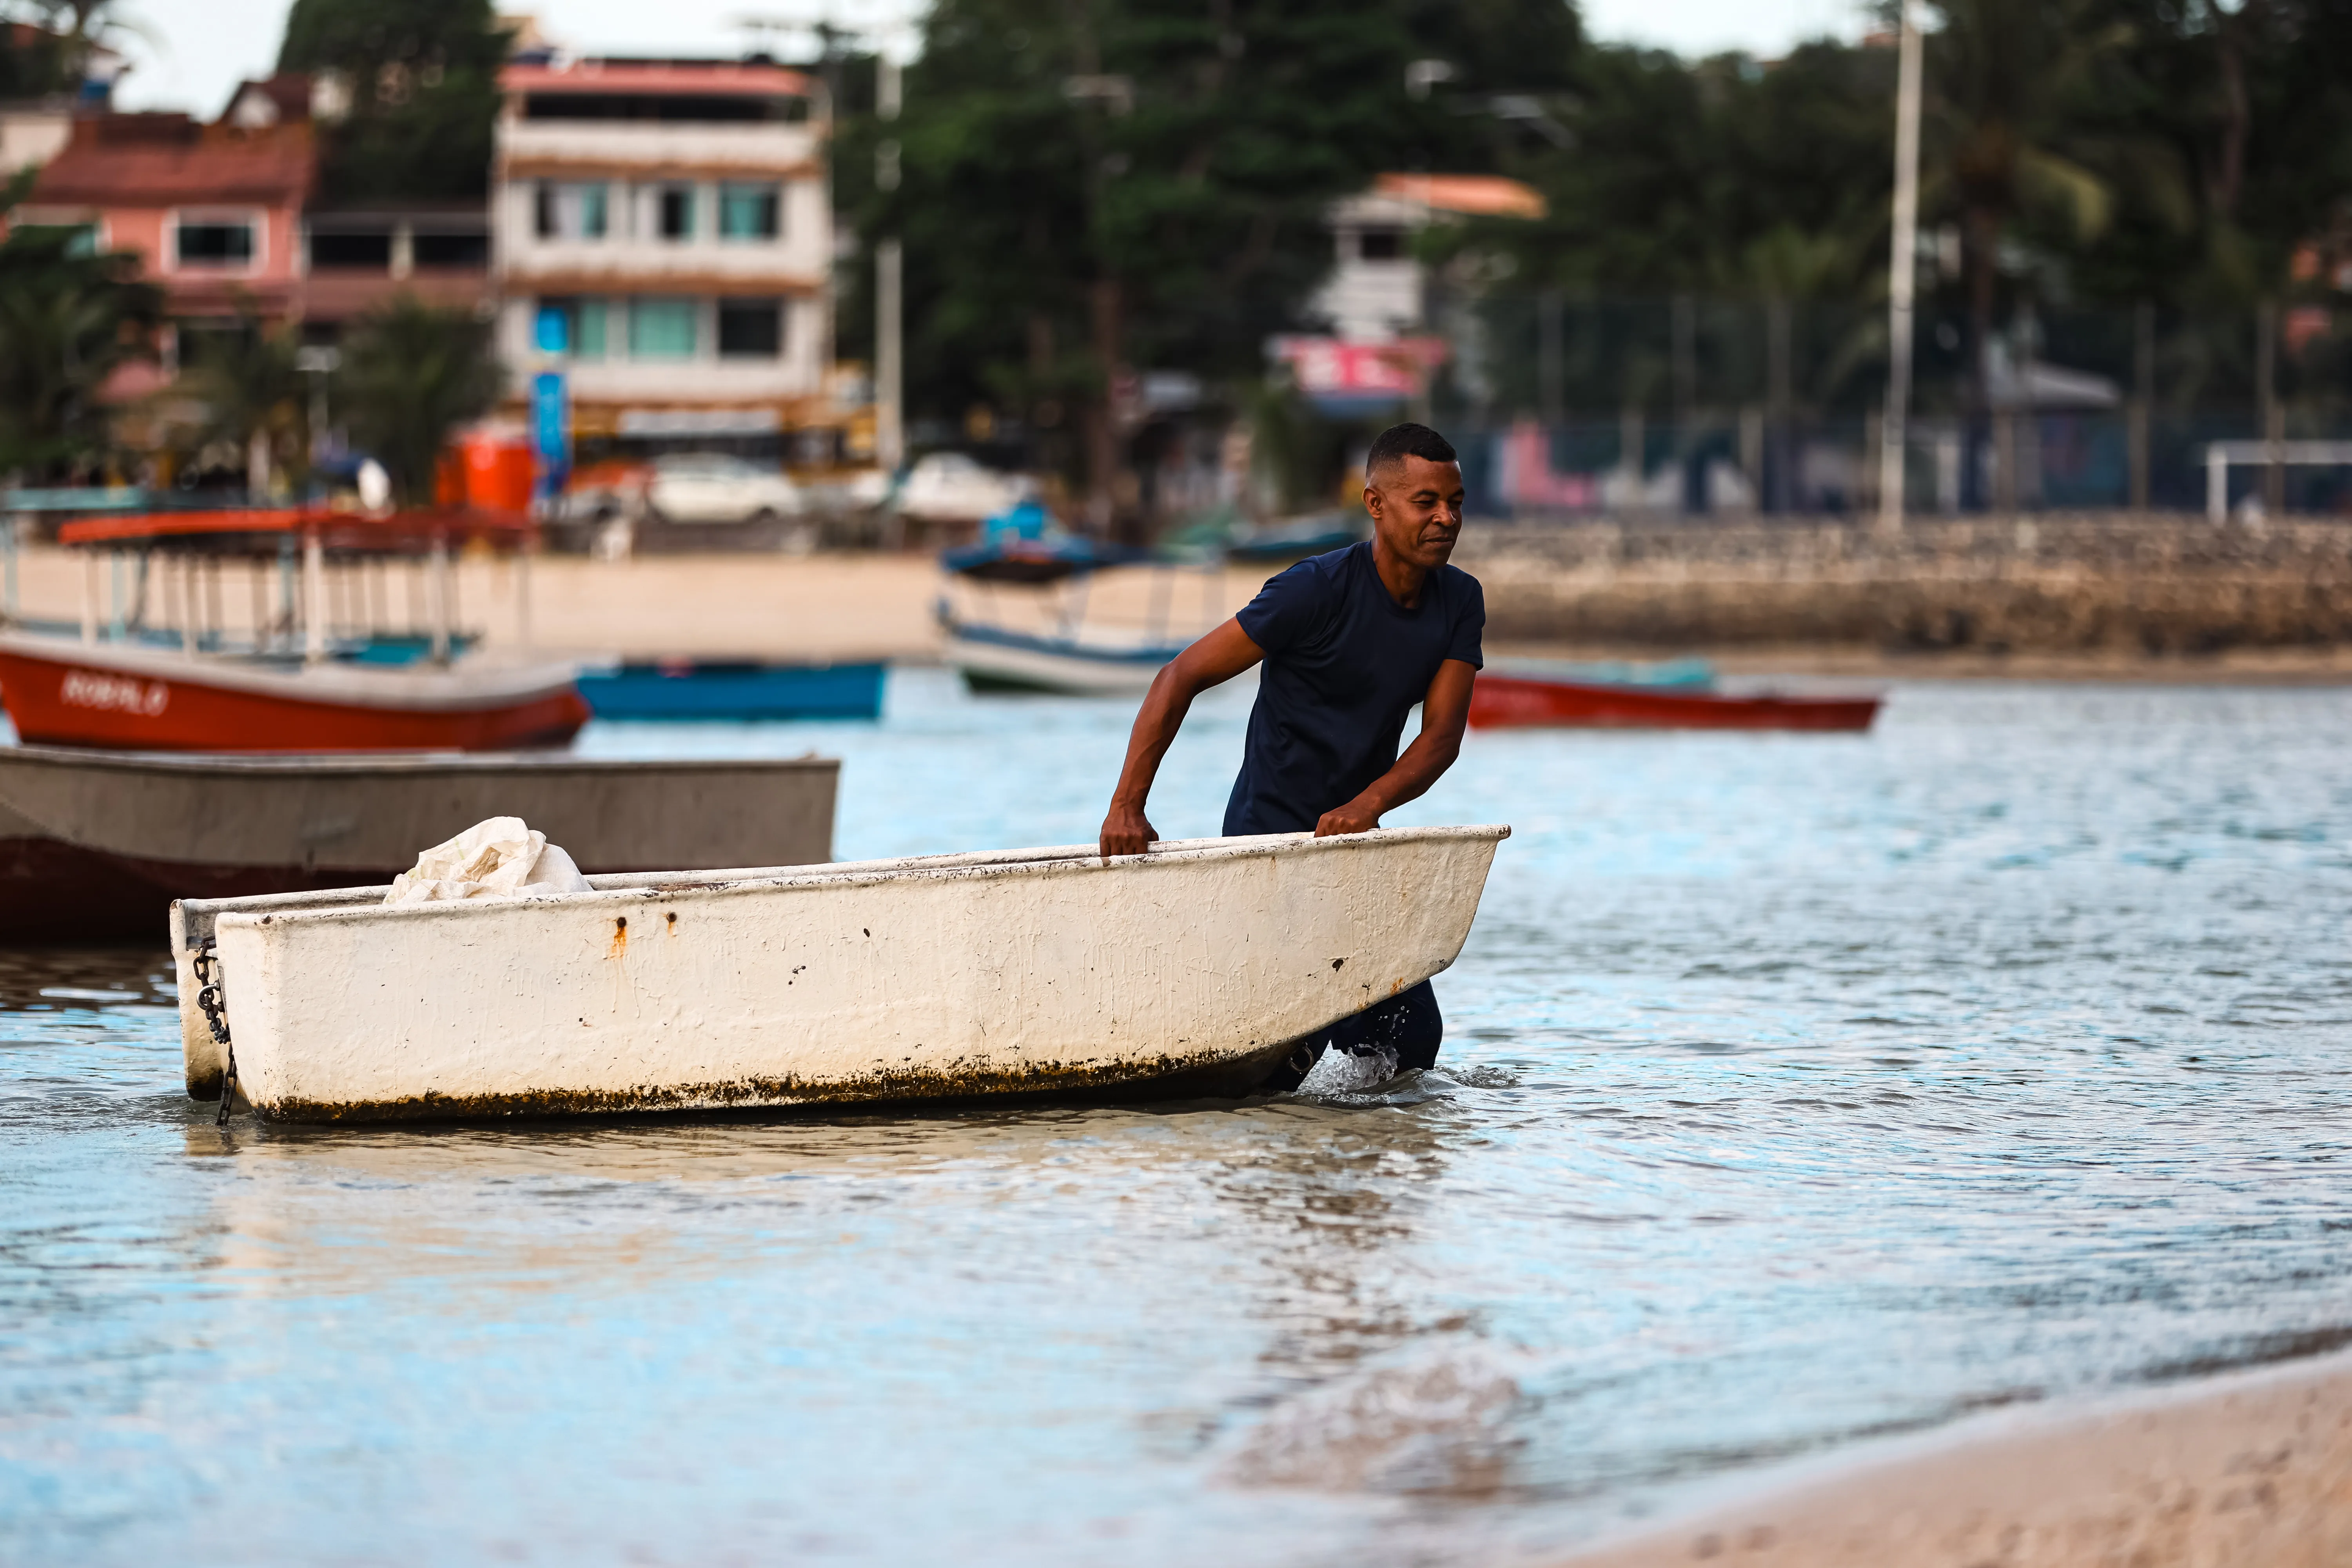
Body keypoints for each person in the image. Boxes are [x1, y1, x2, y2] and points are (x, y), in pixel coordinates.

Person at [1097, 421, 1483, 1089]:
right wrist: (1128, 806)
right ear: (1376, 504)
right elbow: (1179, 677)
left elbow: (1442, 737)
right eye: (1426, 502)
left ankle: (1347, 1147)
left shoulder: (1460, 600)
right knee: (1286, 1053)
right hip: (1267, 845)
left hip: (1352, 844)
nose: (1446, 519)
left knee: (1411, 1041)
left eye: (1455, 503)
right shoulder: (1313, 589)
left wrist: (1366, 806)